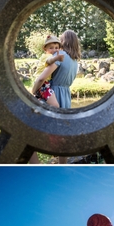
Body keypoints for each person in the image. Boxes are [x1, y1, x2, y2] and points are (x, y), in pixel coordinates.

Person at [30, 29, 81, 164]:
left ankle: (36, 167)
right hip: (65, 96)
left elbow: (41, 78)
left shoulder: (60, 55)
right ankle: (62, 167)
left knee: (30, 132)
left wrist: (33, 92)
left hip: (53, 95)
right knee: (62, 136)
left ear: (64, 42)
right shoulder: (75, 61)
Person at [32, 35, 63, 108]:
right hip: (43, 84)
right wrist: (56, 58)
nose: (54, 50)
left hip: (43, 82)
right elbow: (49, 61)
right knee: (55, 105)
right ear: (45, 49)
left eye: (56, 48)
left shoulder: (47, 55)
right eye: (51, 48)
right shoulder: (48, 56)